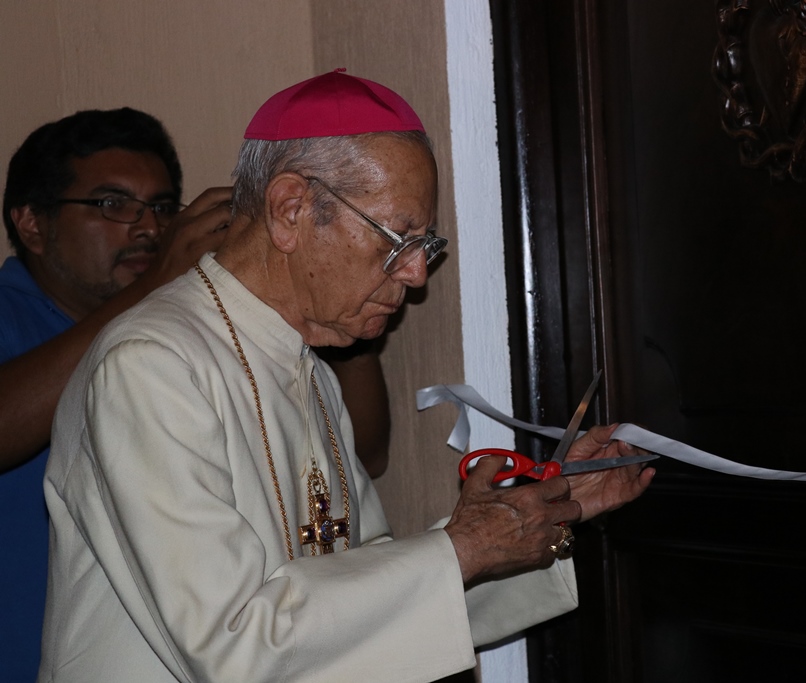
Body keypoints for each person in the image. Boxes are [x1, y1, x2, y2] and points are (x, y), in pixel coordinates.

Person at [39, 70, 654, 682]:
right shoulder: (150, 366)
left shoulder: (308, 367)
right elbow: (231, 648)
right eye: (398, 238)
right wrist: (463, 547)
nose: (416, 274)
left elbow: (366, 606)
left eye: (425, 246)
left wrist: (543, 511)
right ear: (290, 210)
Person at [0, 107, 388, 682]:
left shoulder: (198, 335)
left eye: (162, 206)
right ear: (31, 222)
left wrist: (335, 305)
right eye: (112, 205)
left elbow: (365, 457)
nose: (148, 228)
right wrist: (156, 287)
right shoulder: (78, 332)